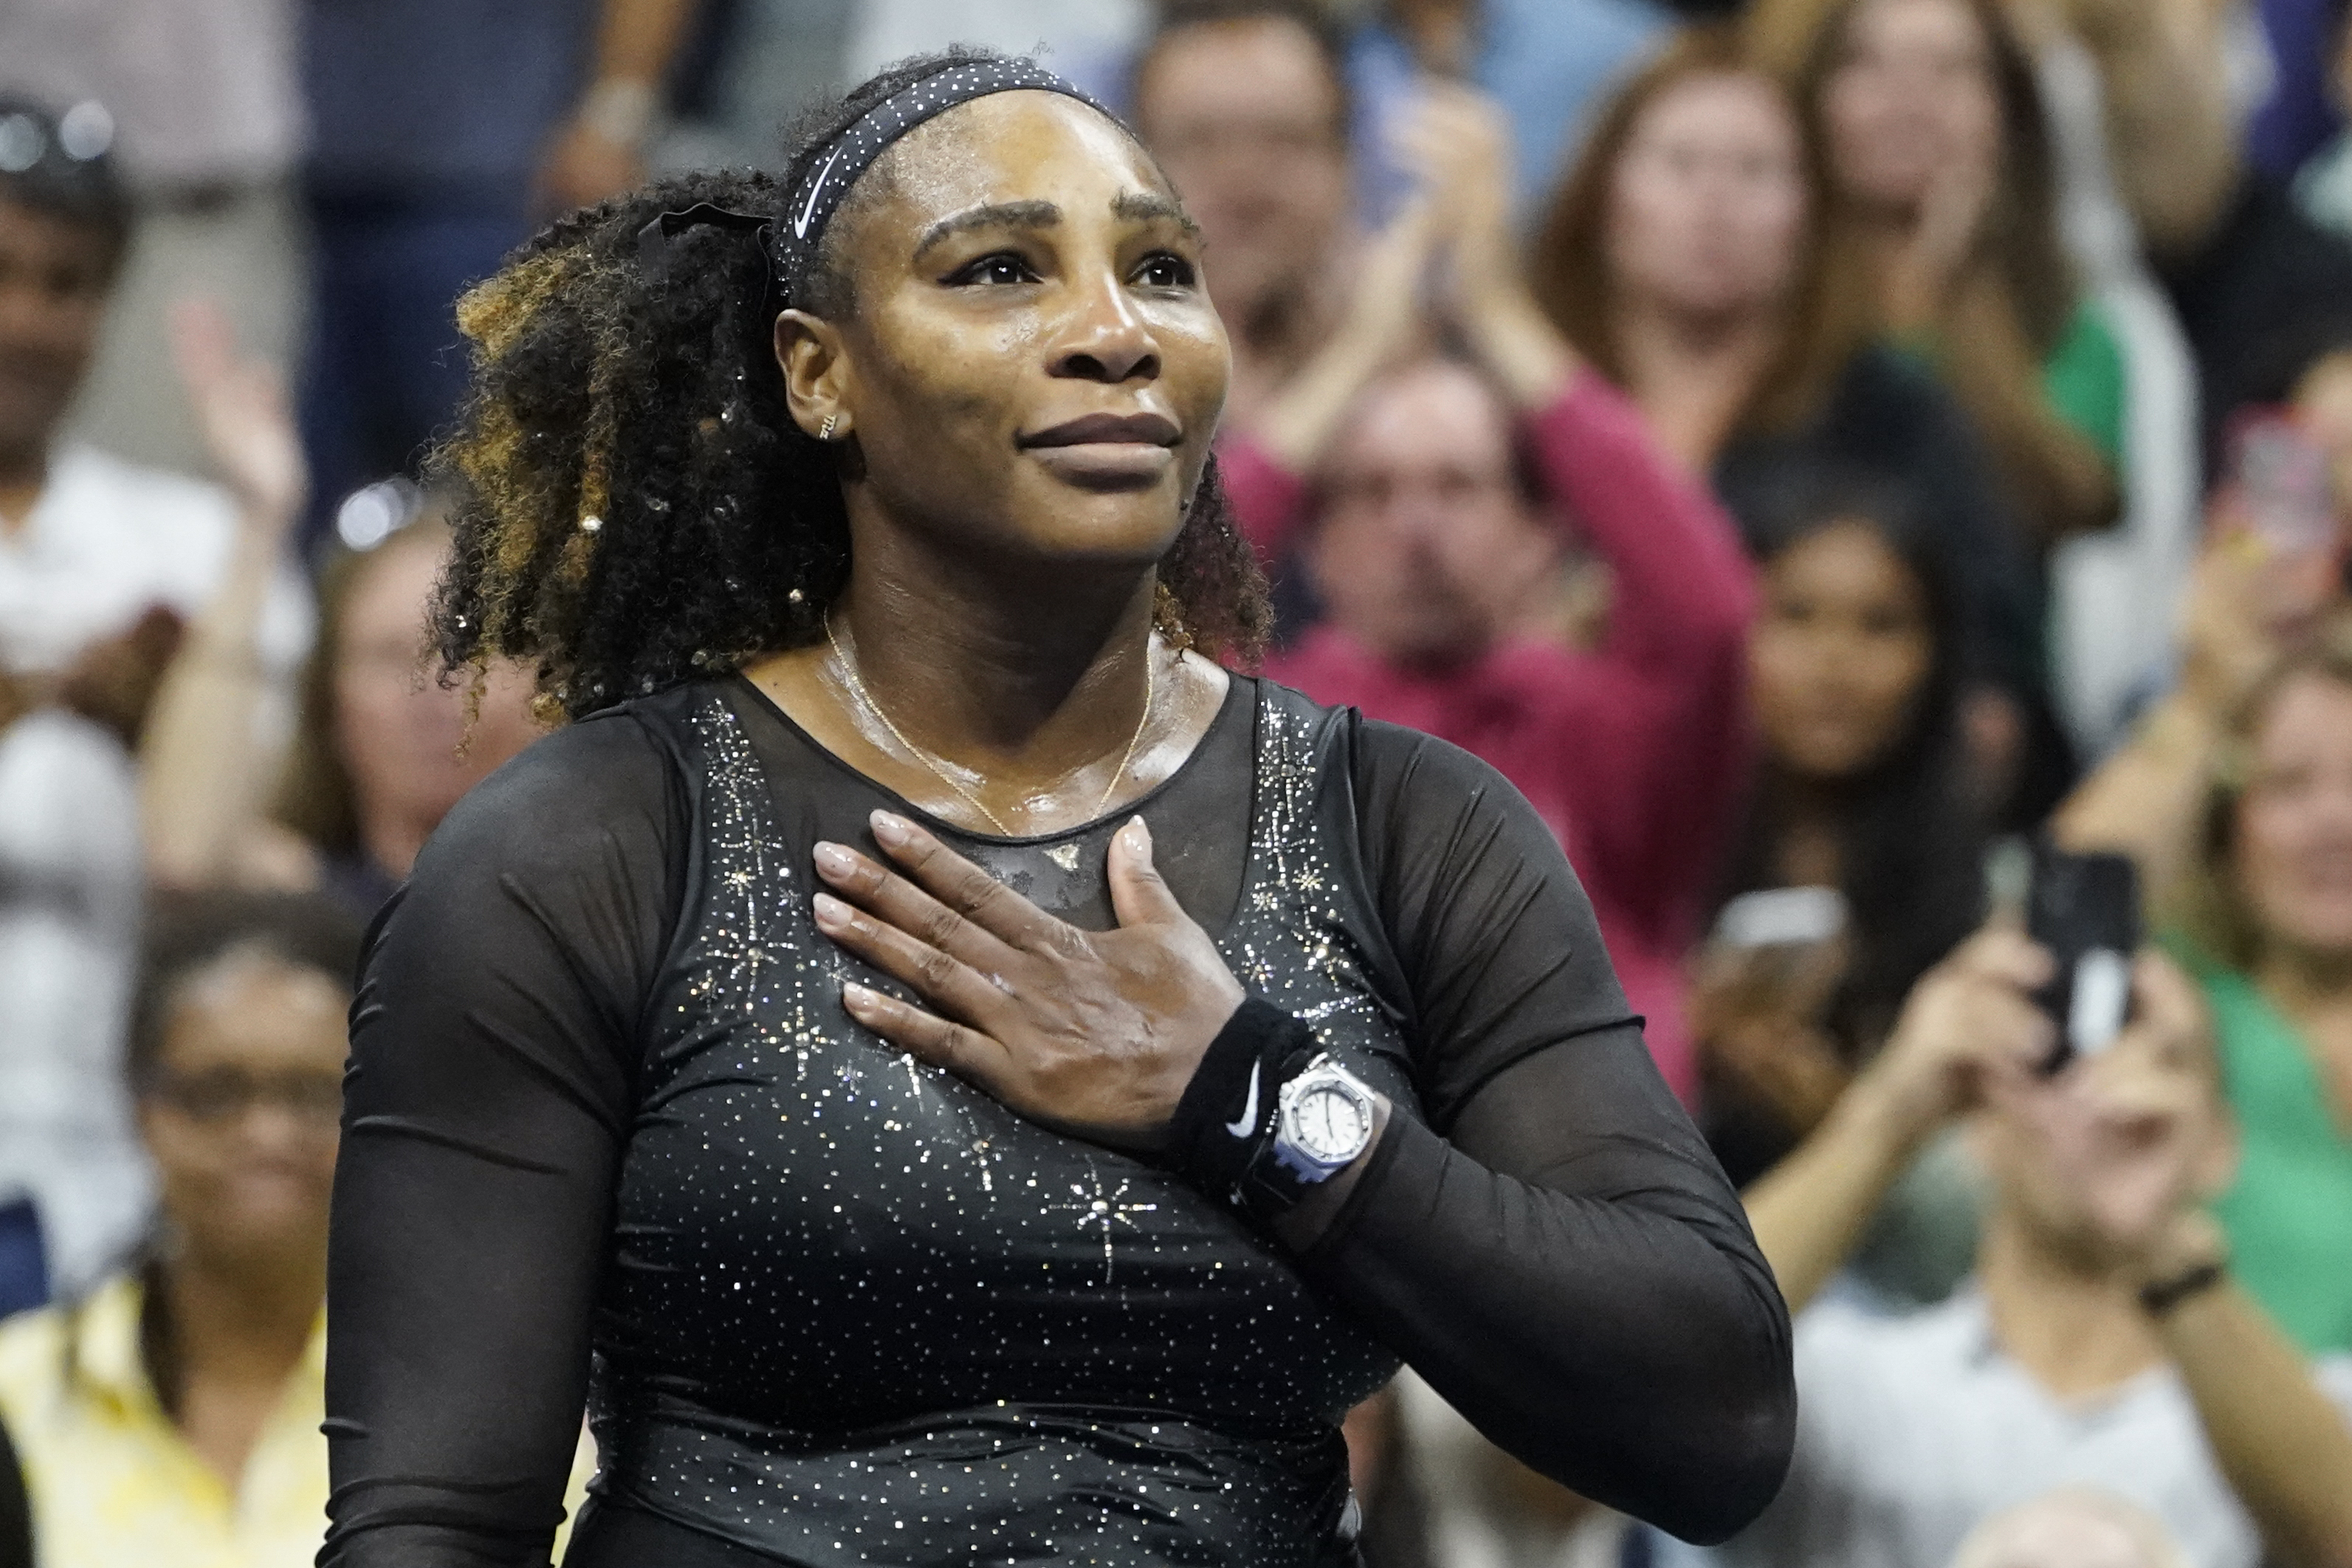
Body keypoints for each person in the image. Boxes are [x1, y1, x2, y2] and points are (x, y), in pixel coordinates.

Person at [320, 49, 1795, 1566]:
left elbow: (1716, 1417)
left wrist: (1248, 1094)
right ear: (818, 373)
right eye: (1003, 270)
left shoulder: (1411, 829)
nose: (1115, 333)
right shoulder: (591, 848)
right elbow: (432, 1524)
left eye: (1160, 268)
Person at [1219, 86, 1759, 1101]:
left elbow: (1708, 613)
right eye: (1372, 492)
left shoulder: (1601, 733)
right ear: (1317, 543)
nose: (1415, 526)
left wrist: (1499, 312)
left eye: (1458, 486)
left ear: (1537, 537)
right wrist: (1351, 359)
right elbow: (1155, 611)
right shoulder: (1255, 724)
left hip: (1589, 1192)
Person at [1669, 928, 2352, 1568]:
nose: (2098, 1096)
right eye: (2055, 1061)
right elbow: (1650, 1373)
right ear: (1979, 1124)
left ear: (2221, 1145)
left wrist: (2161, 1244)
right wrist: (1887, 1117)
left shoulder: (2316, 1409)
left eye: (2162, 1060)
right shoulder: (1845, 1381)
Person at [1528, 32, 2049, 816]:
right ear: (1605, 193)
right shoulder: (1513, 410)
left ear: (1810, 211)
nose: (1716, 202)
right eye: (1679, 163)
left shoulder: (1890, 414)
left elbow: (1991, 683)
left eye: (1755, 172)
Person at [0, 892, 360, 1568]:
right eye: (216, 1092)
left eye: (315, 1092)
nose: (266, 1133)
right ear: (141, 1110)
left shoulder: (479, 1404)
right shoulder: (15, 1393)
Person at [296, 0, 709, 551]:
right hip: (327, 187)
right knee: (319, 520)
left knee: (500, 504)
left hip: (486, 190)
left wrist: (613, 117)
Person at [1696, 469, 1986, 1202]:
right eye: (1794, 616)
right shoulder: (1643, 851)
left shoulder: (1974, 889)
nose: (1836, 663)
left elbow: (1976, 1208)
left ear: (1935, 657)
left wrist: (1848, 1124)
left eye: (1881, 625)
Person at [1754, 0, 2128, 550]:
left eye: (1949, 69)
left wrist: (1942, 303)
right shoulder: (1755, 309)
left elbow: (2060, 504)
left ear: (2005, 110)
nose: (1909, 101)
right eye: (1868, 64)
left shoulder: (2072, 333)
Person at [262, 513, 543, 917]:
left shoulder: (630, 919)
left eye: (468, 650)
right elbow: (180, 856)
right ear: (328, 704)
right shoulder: (289, 915)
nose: (435, 688)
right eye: (392, 656)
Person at [1127, 1, 1361, 429]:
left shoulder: (1421, 374)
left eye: (1283, 140)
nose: (1243, 184)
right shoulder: (1084, 381)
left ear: (1346, 165)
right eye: (1201, 143)